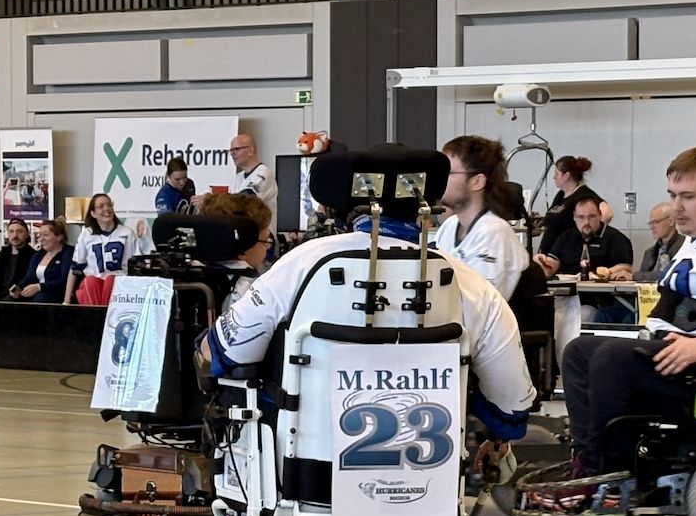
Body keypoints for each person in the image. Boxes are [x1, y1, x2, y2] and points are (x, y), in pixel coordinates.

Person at [198, 155, 537, 456]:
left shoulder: (300, 263)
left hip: (304, 471)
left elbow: (225, 353)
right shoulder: (471, 284)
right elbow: (512, 407)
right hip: (430, 474)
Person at [548, 147, 696, 495]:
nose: (677, 206)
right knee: (579, 351)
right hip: (676, 355)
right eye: (673, 195)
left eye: (688, 196)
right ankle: (587, 460)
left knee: (612, 359)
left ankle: (611, 472)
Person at [434, 135, 529, 301]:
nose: (440, 179)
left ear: (477, 181)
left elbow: (479, 304)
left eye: (449, 172)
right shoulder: (449, 226)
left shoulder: (494, 232)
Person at [536, 196, 633, 323]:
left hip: (599, 301)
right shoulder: (565, 237)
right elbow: (552, 264)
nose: (586, 222)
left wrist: (604, 273)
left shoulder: (616, 238)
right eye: (581, 217)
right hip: (564, 298)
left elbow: (625, 268)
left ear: (600, 215)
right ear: (574, 217)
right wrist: (543, 264)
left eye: (592, 217)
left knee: (584, 314)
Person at [69, 193, 153, 305]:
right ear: (93, 213)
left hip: (120, 283)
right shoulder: (86, 234)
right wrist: (66, 301)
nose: (107, 209)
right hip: (94, 286)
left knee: (111, 280)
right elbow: (75, 268)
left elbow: (139, 264)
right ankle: (95, 314)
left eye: (109, 205)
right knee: (90, 282)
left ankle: (107, 314)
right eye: (101, 206)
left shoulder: (127, 233)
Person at [198, 190, 274, 310]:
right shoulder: (249, 290)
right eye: (265, 242)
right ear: (243, 249)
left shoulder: (191, 275)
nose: (267, 248)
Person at [537, 155, 600, 254]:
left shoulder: (583, 194)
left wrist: (589, 237)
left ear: (566, 176)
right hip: (549, 252)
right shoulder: (561, 195)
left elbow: (607, 213)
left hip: (567, 253)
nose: (554, 177)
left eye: (557, 174)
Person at [11, 219, 74, 304]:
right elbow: (29, 278)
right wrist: (18, 287)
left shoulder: (68, 253)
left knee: (40, 299)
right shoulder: (38, 255)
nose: (41, 239)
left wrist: (39, 287)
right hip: (37, 294)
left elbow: (64, 281)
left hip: (56, 294)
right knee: (9, 300)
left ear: (59, 237)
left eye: (46, 235)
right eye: (40, 235)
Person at [229, 133, 278, 232]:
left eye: (236, 149)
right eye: (231, 151)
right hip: (242, 232)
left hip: (263, 235)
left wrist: (212, 200)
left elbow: (247, 198)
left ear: (251, 150)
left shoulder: (264, 172)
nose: (233, 154)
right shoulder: (237, 178)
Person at [0, 220, 37, 302]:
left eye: (19, 232)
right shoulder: (2, 255)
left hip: (20, 300)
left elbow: (29, 281)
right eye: (11, 232)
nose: (15, 235)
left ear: (27, 235)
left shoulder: (33, 256)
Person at [634, 202, 684, 282]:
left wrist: (634, 276)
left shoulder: (684, 248)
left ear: (671, 221)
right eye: (650, 223)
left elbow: (666, 275)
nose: (652, 227)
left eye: (656, 222)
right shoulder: (649, 252)